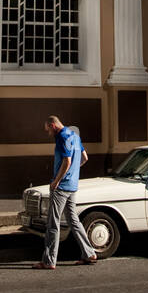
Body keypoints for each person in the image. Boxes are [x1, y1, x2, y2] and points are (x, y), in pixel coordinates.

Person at [34, 115, 98, 269]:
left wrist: (57, 181)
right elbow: (84, 158)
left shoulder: (61, 137)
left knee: (52, 223)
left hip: (61, 187)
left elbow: (67, 161)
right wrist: (72, 173)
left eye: (48, 130)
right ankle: (89, 253)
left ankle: (49, 261)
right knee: (73, 220)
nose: (49, 133)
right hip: (72, 186)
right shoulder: (75, 136)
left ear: (53, 125)